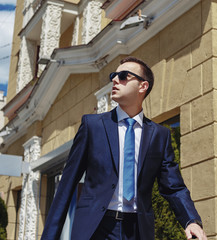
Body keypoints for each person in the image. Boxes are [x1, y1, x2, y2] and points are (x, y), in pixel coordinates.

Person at [41, 56, 207, 240]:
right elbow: (67, 184)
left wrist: (190, 220)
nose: (114, 80)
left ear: (143, 86)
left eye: (123, 76)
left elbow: (173, 187)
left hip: (137, 230)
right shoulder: (93, 126)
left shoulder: (159, 135)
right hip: (95, 228)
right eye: (113, 75)